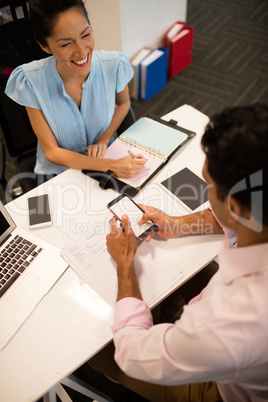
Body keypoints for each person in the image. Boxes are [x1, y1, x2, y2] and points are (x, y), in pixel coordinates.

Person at [90, 104, 268, 402]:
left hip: (223, 387)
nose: (206, 193)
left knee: (97, 347)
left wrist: (124, 267)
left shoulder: (236, 316)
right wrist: (177, 224)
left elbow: (133, 354)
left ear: (236, 208)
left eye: (209, 185)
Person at [4, 0, 146, 181]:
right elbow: (52, 152)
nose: (81, 51)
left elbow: (124, 104)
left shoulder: (114, 65)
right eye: (66, 44)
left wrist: (104, 140)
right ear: (44, 46)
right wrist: (110, 165)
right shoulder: (31, 81)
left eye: (85, 35)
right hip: (61, 172)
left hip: (106, 160)